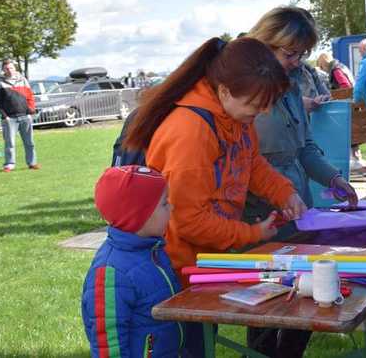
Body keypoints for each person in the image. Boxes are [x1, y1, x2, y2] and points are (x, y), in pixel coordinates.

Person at [123, 37, 308, 357]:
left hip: (204, 263)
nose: (263, 111)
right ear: (224, 91)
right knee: (188, 348)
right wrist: (252, 233)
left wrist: (285, 193)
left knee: (203, 344)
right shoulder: (191, 131)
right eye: (256, 104)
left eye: (268, 103)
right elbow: (188, 220)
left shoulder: (236, 117)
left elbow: (251, 164)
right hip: (177, 272)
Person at [244, 6, 358, 358]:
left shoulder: (292, 87)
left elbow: (305, 147)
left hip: (298, 208)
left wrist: (335, 177)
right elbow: (245, 160)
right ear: (265, 44)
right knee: (265, 303)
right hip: (258, 214)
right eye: (289, 53)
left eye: (302, 54)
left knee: (307, 296)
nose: (296, 61)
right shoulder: (242, 91)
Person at [81, 165, 184, 357]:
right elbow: (108, 345)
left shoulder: (152, 251)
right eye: (164, 203)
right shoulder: (111, 272)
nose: (171, 206)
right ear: (140, 215)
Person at [0, 59, 39, 172]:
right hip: (10, 119)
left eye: (11, 68)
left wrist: (31, 112)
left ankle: (32, 163)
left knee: (29, 142)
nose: (9, 70)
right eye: (7, 68)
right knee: (10, 143)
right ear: (3, 70)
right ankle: (9, 164)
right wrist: (5, 117)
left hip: (25, 116)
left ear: (15, 68)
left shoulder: (23, 79)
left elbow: (30, 96)